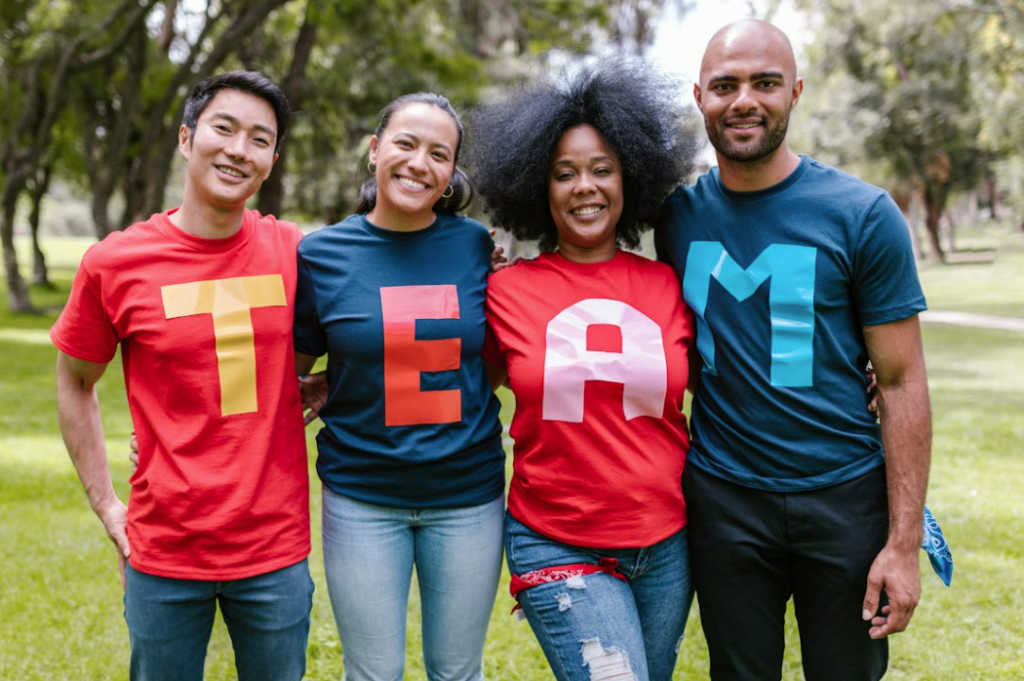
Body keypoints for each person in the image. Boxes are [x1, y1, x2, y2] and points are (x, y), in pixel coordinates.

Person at [655, 19, 932, 681]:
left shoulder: (863, 215)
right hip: (724, 498)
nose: (743, 99)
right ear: (700, 97)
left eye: (765, 83)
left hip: (843, 498)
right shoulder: (676, 217)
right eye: (725, 85)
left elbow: (900, 380)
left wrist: (903, 543)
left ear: (796, 92)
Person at [51, 71, 313, 681]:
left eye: (259, 139)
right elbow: (75, 381)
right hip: (163, 548)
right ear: (186, 138)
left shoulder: (295, 252)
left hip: (273, 548)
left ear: (271, 161)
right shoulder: (115, 263)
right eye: (224, 128)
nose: (238, 149)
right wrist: (107, 505)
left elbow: (375, 314)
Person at [469, 63, 702, 681]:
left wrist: (854, 375)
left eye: (603, 169)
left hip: (668, 541)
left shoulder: (670, 286)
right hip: (556, 537)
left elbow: (735, 372)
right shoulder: (505, 293)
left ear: (630, 178)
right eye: (564, 173)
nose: (585, 188)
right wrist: (343, 378)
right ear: (537, 187)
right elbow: (453, 374)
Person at [292, 93, 505, 681]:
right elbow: (283, 373)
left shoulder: (476, 247)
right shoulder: (322, 255)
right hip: (362, 496)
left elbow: (497, 359)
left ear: (450, 175)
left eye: (440, 153)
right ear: (375, 151)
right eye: (406, 144)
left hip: (468, 495)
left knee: (458, 671)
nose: (419, 162)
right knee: (371, 674)